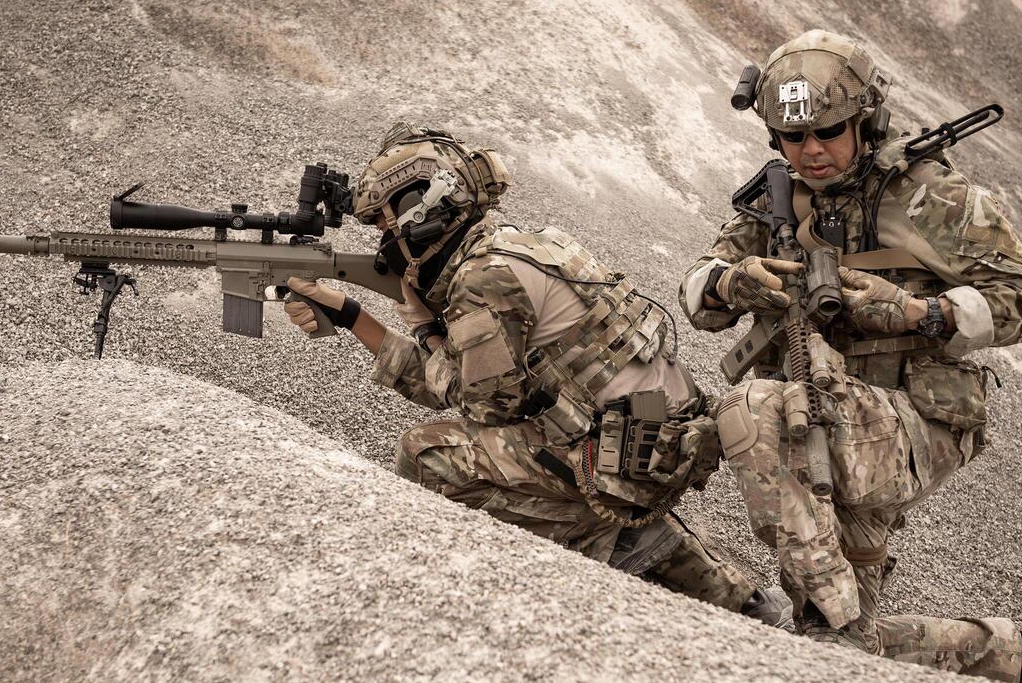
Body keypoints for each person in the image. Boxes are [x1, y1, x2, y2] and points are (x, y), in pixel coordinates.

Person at [678, 30, 1022, 683]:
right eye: (793, 139)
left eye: (828, 131)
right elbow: (698, 292)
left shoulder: (936, 198)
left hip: (915, 423)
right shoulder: (775, 202)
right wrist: (727, 283)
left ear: (866, 119)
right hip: (820, 424)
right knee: (842, 637)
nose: (810, 151)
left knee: (751, 409)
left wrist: (921, 314)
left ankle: (835, 635)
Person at [285, 122, 791, 627]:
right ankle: (737, 599)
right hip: (651, 443)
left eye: (384, 223)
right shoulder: (520, 244)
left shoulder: (483, 278)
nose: (383, 240)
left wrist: (420, 326)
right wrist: (353, 316)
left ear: (422, 211)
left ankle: (593, 546)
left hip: (625, 463)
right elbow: (500, 388)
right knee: (529, 447)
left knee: (429, 455)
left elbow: (479, 405)